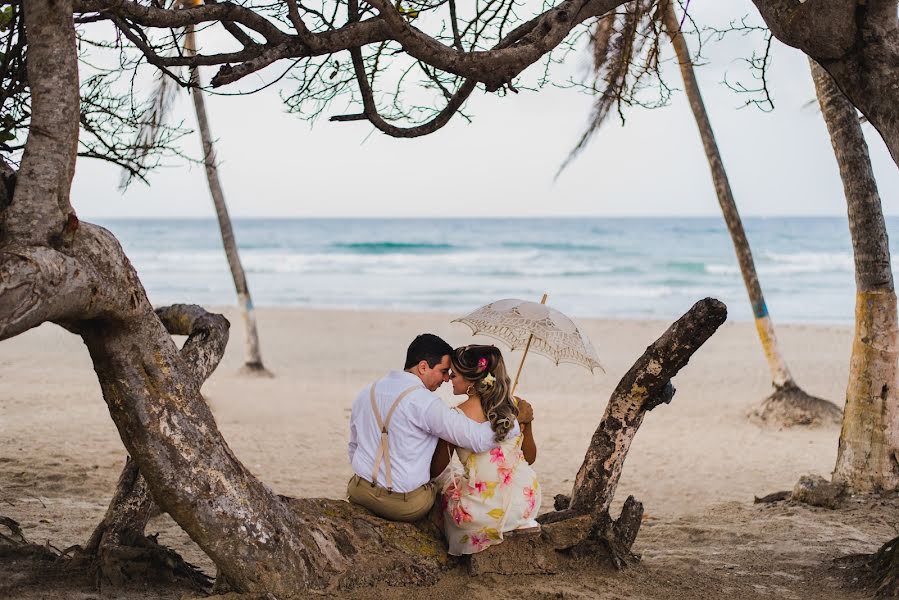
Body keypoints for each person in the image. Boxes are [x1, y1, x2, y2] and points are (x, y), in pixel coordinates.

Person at [347, 334, 524, 522]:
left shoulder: (366, 392)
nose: (447, 379)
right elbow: (478, 440)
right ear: (423, 367)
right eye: (443, 371)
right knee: (444, 483)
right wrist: (513, 420)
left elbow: (353, 446)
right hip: (403, 506)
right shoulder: (426, 403)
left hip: (359, 491)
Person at [430, 344, 540, 555]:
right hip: (525, 501)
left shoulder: (455, 419)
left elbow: (436, 469)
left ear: (471, 381)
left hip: (482, 512)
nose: (449, 379)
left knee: (442, 489)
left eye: (454, 374)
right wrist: (527, 422)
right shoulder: (514, 408)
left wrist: (441, 437)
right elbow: (530, 458)